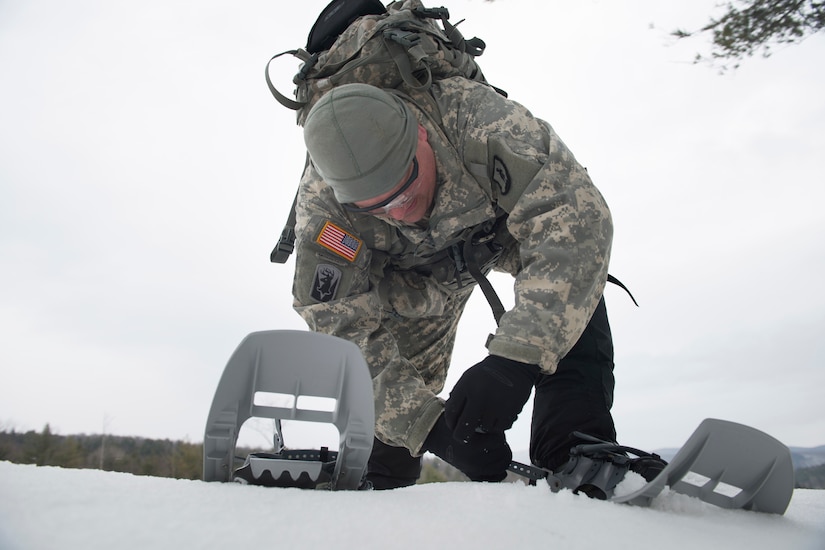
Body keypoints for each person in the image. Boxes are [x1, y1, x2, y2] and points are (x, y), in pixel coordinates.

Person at [291, 77, 619, 490]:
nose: (399, 210)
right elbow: (336, 324)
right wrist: (430, 429)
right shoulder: (326, 206)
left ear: (421, 133)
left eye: (405, 186)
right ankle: (382, 495)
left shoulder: (479, 121)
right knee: (392, 410)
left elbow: (576, 218)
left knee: (571, 289)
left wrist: (514, 361)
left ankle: (577, 448)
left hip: (495, 232)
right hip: (410, 282)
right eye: (378, 206)